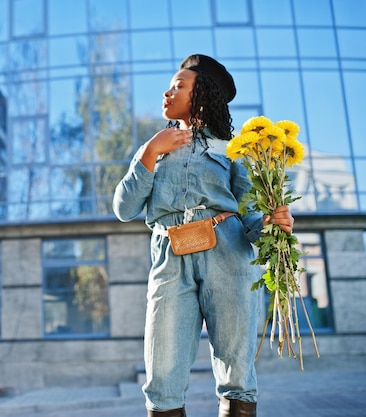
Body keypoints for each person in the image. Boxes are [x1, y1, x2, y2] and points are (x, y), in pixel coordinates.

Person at [112, 54, 294, 417]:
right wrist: (150, 152)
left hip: (228, 255)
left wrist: (275, 223)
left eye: (179, 86)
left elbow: (252, 220)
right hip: (169, 257)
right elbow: (124, 208)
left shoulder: (233, 151)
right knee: (161, 375)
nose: (167, 92)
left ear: (202, 94)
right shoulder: (154, 148)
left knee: (237, 372)